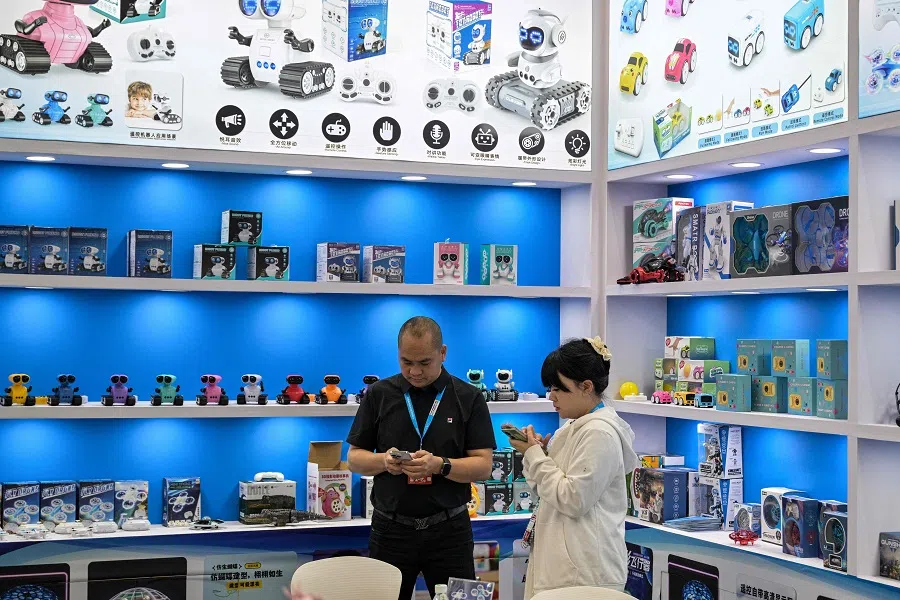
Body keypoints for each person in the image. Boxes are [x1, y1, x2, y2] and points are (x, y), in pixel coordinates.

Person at [347, 316, 496, 600]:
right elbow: (354, 459)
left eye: (424, 363)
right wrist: (384, 462)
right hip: (390, 530)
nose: (414, 372)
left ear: (443, 353)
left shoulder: (469, 397)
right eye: (406, 362)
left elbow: (484, 465)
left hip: (450, 530)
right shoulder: (379, 394)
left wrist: (440, 465)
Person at [508, 337, 639, 599]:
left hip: (584, 571)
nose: (551, 396)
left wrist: (535, 454)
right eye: (550, 388)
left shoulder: (599, 433)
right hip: (564, 564)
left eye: (559, 389)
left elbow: (573, 499)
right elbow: (547, 491)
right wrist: (539, 455)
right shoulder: (574, 426)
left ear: (586, 386)